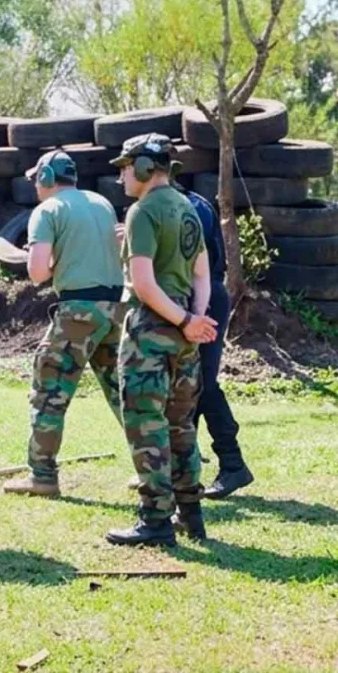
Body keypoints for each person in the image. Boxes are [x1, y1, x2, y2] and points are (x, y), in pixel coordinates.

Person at [104, 133, 219, 547]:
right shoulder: (188, 208)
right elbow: (203, 274)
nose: (120, 177)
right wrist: (195, 319)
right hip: (184, 335)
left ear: (143, 167)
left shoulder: (142, 211)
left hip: (150, 332)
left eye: (124, 167)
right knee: (180, 426)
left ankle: (155, 519)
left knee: (145, 425)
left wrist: (187, 318)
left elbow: (144, 283)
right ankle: (191, 514)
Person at [1, 150, 126, 497]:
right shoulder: (101, 203)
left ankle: (41, 474)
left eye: (36, 181)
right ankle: (161, 469)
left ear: (45, 179)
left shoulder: (47, 211)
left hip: (78, 311)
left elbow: (38, 272)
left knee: (50, 391)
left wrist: (50, 261)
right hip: (117, 308)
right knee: (124, 393)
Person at [126, 180, 254, 499]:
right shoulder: (186, 204)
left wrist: (192, 315)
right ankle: (179, 468)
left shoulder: (179, 207)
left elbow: (190, 266)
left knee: (201, 383)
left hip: (199, 295)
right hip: (195, 296)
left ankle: (232, 463)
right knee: (187, 384)